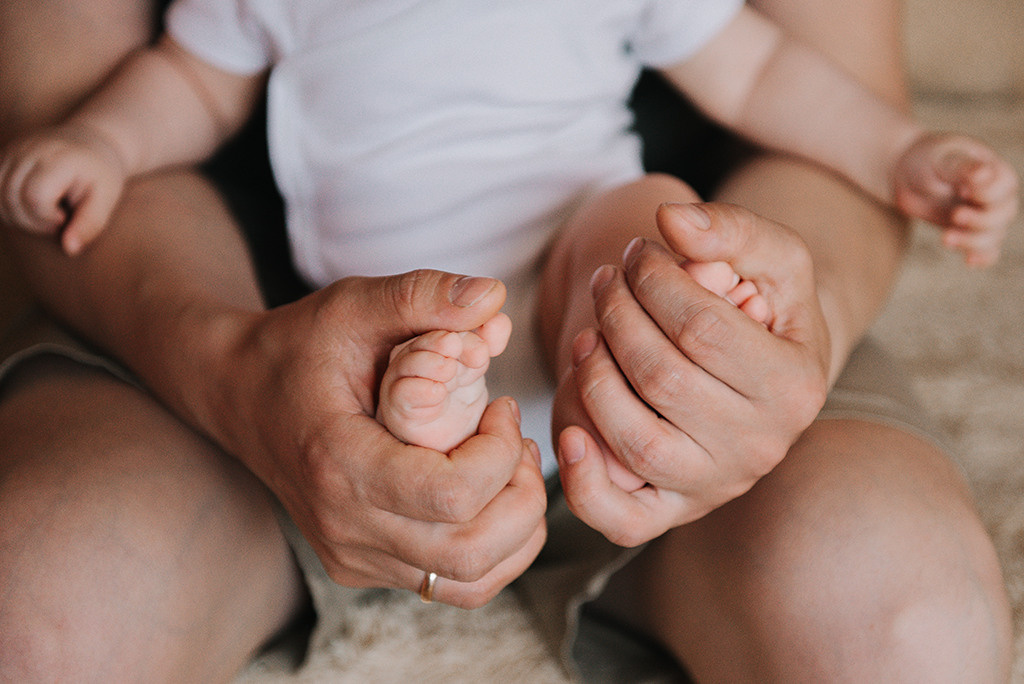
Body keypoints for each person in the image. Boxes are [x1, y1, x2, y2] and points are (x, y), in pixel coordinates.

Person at [0, 2, 1012, 684]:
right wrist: (103, 144)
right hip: (332, 313)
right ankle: (427, 416)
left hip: (578, 254)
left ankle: (657, 351)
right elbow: (186, 82)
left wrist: (896, 152)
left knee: (646, 229)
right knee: (431, 340)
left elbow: (762, 73)